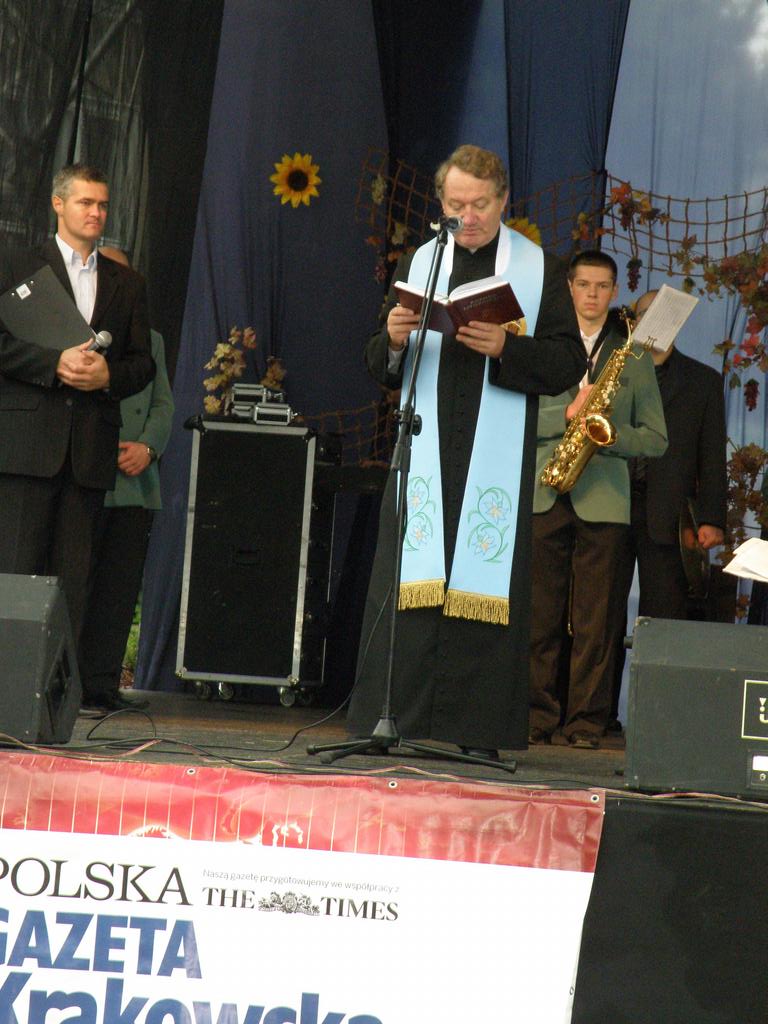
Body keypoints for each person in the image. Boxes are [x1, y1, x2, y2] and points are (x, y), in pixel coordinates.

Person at [347, 144, 586, 758]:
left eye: (479, 204)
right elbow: (379, 364)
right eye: (456, 204)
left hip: (493, 463)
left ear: (503, 201)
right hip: (424, 453)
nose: (468, 217)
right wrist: (392, 339)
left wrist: (507, 349)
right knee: (409, 583)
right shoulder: (422, 262)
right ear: (441, 201)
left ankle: (476, 731)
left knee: (488, 590)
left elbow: (567, 361)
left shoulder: (539, 268)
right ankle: (394, 717)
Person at [0, 164, 155, 653]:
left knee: (72, 586)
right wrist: (53, 363)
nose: (96, 213)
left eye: (103, 204)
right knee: (15, 578)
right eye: (86, 202)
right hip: (27, 452)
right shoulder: (17, 265)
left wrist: (108, 376)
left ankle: (54, 691)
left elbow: (143, 364)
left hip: (89, 454)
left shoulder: (127, 283)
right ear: (58, 204)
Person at [528, 251, 667, 749]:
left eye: (602, 286)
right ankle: (535, 716)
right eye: (583, 284)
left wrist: (608, 434)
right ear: (568, 287)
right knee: (538, 616)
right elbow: (519, 417)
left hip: (606, 501)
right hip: (546, 491)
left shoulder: (633, 355)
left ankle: (586, 723)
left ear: (614, 292)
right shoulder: (543, 347)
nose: (592, 294)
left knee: (598, 620)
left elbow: (657, 438)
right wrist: (565, 417)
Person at [608, 289, 728, 727]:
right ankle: (596, 717)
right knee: (601, 616)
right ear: (633, 320)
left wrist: (711, 519)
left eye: (664, 313)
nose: (655, 320)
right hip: (611, 504)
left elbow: (712, 456)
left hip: (670, 515)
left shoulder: (702, 381)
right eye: (645, 313)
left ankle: (656, 722)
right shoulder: (613, 370)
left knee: (662, 617)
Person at [77, 247, 174, 713]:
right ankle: (63, 684)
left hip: (134, 484)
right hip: (85, 478)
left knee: (118, 593)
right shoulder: (74, 339)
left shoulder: (150, 341)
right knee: (77, 586)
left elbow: (163, 404)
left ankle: (101, 685)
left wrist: (147, 448)